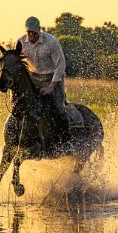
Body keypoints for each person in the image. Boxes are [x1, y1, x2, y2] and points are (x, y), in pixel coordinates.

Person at [17, 16, 73, 153]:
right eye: (29, 32)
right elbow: (18, 64)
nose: (31, 35)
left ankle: (66, 141)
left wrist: (50, 87)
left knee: (59, 107)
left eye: (34, 33)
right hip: (33, 79)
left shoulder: (51, 41)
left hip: (53, 78)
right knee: (23, 106)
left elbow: (60, 66)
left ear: (39, 31)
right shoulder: (20, 42)